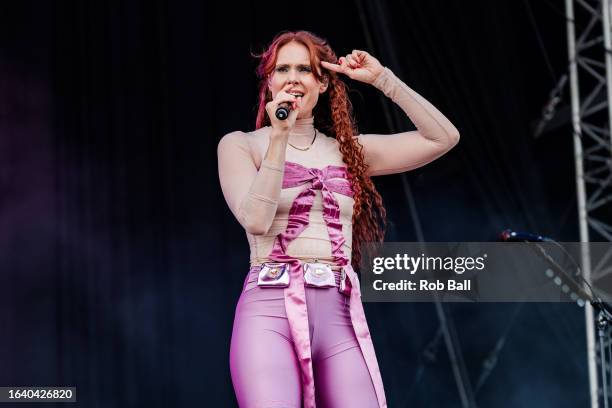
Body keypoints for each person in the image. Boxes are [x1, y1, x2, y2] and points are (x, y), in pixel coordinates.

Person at [217, 30, 460, 408]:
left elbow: (443, 138)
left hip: (338, 313)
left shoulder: (350, 152)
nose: (293, 77)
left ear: (324, 82)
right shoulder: (241, 145)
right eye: (283, 69)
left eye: (305, 69)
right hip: (268, 309)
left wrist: (383, 80)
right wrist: (279, 137)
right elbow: (256, 219)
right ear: (270, 80)